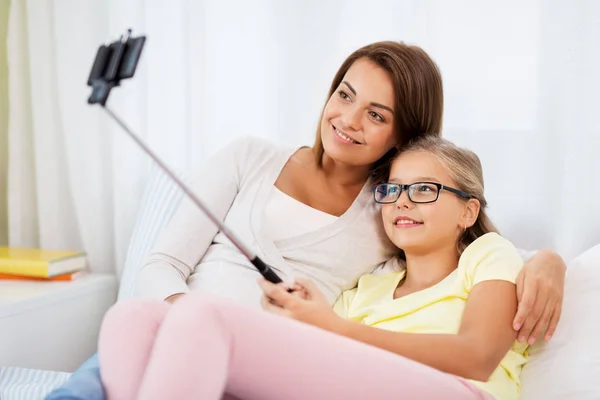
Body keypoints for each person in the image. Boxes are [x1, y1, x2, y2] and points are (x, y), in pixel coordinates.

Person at [46, 41, 565, 400]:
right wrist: (182, 315)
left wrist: (549, 260)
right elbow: (162, 264)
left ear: (403, 137)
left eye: (377, 114)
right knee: (129, 319)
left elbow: (478, 249)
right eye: (345, 94)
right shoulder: (372, 272)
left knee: (197, 324)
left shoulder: (386, 220)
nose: (349, 119)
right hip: (184, 328)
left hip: (249, 352)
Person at [98, 135, 528, 400]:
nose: (401, 201)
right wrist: (303, 319)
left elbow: (477, 357)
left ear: (468, 212)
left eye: (424, 189)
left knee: (201, 313)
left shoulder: (489, 254)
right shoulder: (365, 291)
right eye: (393, 189)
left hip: (462, 392)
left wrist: (334, 328)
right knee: (133, 317)